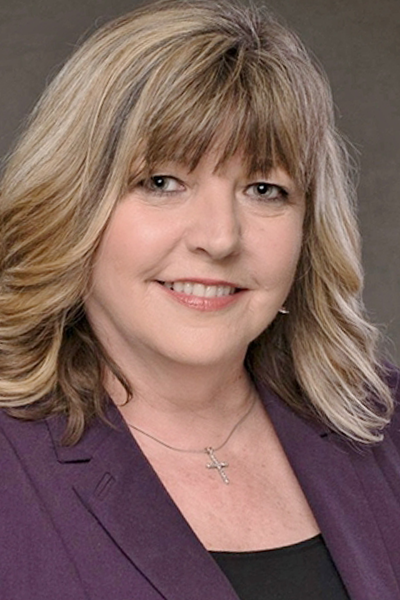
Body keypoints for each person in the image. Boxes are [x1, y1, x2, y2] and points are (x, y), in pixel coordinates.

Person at [0, 1, 399, 598]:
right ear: (72, 205)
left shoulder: (384, 424)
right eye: (162, 182)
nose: (220, 237)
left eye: (264, 189)